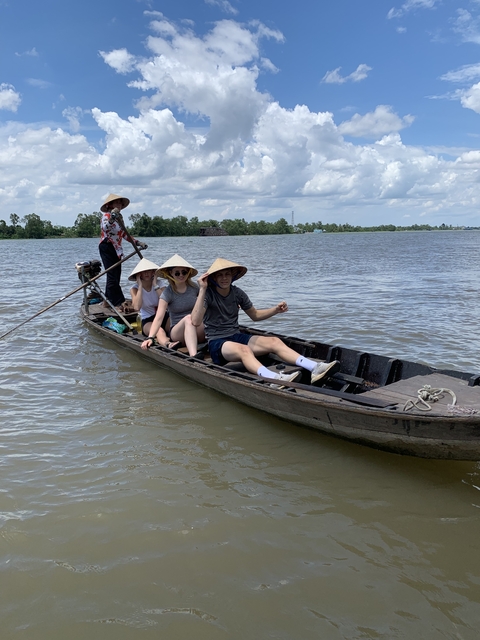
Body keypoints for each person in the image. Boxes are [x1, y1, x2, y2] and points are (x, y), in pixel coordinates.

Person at [191, 257, 340, 385]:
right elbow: (196, 321)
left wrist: (275, 310)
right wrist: (203, 289)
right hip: (218, 342)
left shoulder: (237, 293)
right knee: (245, 350)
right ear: (214, 278)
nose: (224, 278)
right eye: (220, 275)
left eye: (227, 274)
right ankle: (274, 379)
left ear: (232, 276)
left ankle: (314, 367)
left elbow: (254, 315)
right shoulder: (208, 294)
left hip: (235, 336)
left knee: (274, 341)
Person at [141, 254, 205, 355]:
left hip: (197, 329)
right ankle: (194, 355)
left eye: (184, 272)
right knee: (188, 318)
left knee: (203, 319)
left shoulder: (195, 288)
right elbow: (159, 317)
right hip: (178, 333)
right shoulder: (168, 293)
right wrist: (150, 337)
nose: (181, 275)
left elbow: (208, 301)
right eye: (177, 273)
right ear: (171, 274)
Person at [98, 193, 147, 312]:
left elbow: (124, 234)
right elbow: (105, 228)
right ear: (110, 205)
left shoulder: (120, 218)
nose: (119, 205)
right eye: (117, 203)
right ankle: (117, 303)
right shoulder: (107, 216)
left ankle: (106, 301)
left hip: (117, 249)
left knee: (116, 276)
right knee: (112, 275)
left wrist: (137, 242)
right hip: (107, 246)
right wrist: (112, 218)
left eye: (120, 203)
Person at [128, 258, 168, 344]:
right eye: (143, 271)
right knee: (159, 330)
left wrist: (154, 284)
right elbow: (136, 307)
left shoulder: (160, 284)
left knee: (175, 324)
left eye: (149, 271)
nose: (146, 273)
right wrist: (140, 286)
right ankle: (168, 345)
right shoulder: (134, 289)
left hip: (163, 315)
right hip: (148, 319)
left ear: (153, 272)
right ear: (139, 275)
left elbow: (167, 302)